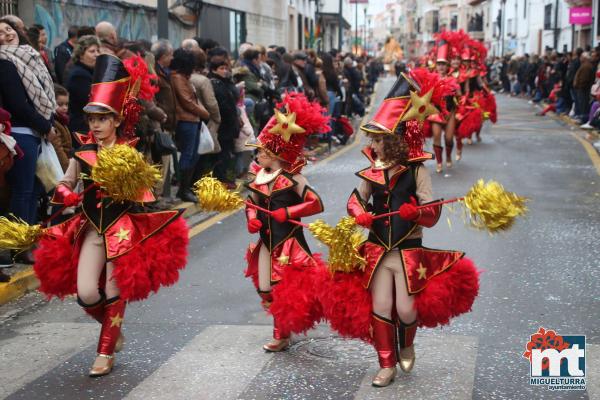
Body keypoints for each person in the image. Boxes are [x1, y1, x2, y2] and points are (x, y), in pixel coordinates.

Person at [33, 54, 189, 377]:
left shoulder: (129, 152)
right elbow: (64, 182)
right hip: (90, 228)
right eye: (91, 119)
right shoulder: (83, 151)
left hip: (121, 231)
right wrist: (68, 194)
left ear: (116, 121)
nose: (95, 125)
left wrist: (126, 186)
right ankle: (112, 327)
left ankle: (104, 352)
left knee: (116, 290)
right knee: (87, 292)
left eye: (102, 119)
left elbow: (146, 193)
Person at [340, 70, 479, 387]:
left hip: (407, 251)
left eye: (379, 139)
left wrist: (415, 212)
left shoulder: (417, 171)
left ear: (395, 141)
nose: (373, 145)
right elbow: (354, 201)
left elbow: (431, 212)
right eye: (372, 139)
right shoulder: (370, 172)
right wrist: (359, 214)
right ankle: (386, 363)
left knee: (405, 310)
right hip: (376, 249)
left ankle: (407, 342)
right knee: (381, 306)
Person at [244, 92, 329, 352]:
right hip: (267, 241)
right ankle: (283, 330)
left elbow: (316, 203)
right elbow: (252, 203)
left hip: (289, 243)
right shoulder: (259, 176)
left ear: (275, 152)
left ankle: (281, 334)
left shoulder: (294, 178)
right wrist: (251, 219)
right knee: (265, 289)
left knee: (283, 289)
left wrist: (289, 213)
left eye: (262, 151)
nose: (257, 155)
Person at [0, 17, 56, 258]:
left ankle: (28, 242)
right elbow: (17, 104)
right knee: (23, 192)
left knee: (34, 190)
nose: (6, 34)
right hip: (20, 132)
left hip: (34, 132)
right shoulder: (4, 61)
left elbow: (41, 95)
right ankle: (17, 246)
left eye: (8, 29)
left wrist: (47, 124)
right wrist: (45, 125)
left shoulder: (27, 56)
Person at [171, 48, 209, 202]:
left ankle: (186, 188)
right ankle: (183, 189)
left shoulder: (182, 77)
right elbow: (187, 101)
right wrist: (204, 113)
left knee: (193, 154)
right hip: (186, 120)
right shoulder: (178, 78)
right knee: (188, 155)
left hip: (192, 120)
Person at [428, 39, 459, 174]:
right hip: (435, 112)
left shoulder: (453, 79)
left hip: (450, 112)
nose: (441, 67)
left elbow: (459, 95)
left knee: (448, 138)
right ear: (436, 65)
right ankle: (439, 162)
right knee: (436, 135)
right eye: (439, 64)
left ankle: (448, 157)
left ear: (447, 66)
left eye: (443, 64)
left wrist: (456, 91)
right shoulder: (430, 78)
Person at [209, 55, 240, 188]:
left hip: (229, 123)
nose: (225, 71)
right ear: (214, 70)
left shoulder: (225, 82)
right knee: (222, 153)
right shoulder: (215, 83)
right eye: (221, 68)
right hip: (223, 123)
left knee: (227, 152)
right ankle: (221, 179)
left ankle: (226, 178)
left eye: (226, 68)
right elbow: (222, 104)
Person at [66, 35, 101, 136]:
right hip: (82, 127)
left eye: (98, 51)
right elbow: (90, 101)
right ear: (81, 54)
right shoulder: (79, 75)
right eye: (92, 51)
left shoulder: (91, 72)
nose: (97, 54)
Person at [51, 84, 73, 171]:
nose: (65, 108)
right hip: (62, 166)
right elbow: (58, 149)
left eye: (66, 104)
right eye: (60, 104)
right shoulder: (55, 123)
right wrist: (68, 170)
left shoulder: (61, 121)